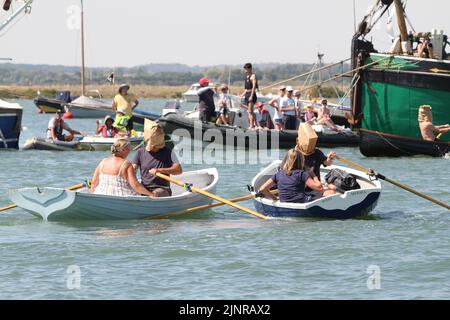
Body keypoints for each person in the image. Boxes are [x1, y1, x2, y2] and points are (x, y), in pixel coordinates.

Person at [259, 148, 336, 203]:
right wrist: (313, 175)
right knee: (331, 192)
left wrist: (275, 199)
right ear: (301, 160)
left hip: (283, 202)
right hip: (302, 202)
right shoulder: (302, 174)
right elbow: (319, 188)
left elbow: (262, 189)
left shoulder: (278, 174)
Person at [132, 120, 182, 197]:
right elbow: (133, 169)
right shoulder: (140, 152)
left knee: (155, 195)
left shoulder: (168, 152)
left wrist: (160, 170)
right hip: (144, 187)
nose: (153, 148)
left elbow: (178, 170)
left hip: (162, 188)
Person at [90, 139, 154, 197]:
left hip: (100, 193)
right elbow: (135, 185)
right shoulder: (126, 164)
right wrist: (150, 194)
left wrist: (92, 194)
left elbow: (93, 183)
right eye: (129, 148)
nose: (130, 151)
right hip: (120, 195)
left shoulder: (103, 161)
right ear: (123, 150)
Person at [240, 63, 258, 129]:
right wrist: (241, 95)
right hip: (247, 94)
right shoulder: (246, 77)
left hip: (251, 94)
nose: (245, 71)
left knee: (250, 111)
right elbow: (246, 89)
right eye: (244, 69)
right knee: (249, 111)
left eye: (246, 69)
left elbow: (253, 87)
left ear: (250, 69)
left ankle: (251, 126)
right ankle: (254, 124)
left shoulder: (253, 76)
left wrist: (251, 96)